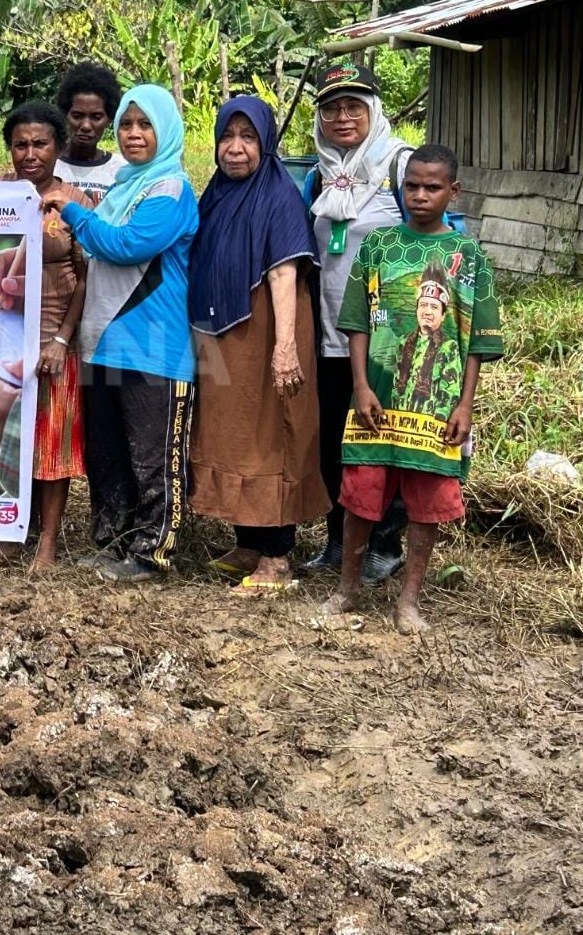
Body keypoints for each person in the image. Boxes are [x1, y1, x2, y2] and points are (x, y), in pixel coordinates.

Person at [321, 144, 501, 633]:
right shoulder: (379, 246)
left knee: (428, 504)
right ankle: (347, 590)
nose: (420, 196)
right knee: (360, 494)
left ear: (453, 192)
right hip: (376, 400)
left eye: (432, 187)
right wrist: (360, 385)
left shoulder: (469, 257)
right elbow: (356, 322)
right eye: (412, 186)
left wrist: (465, 404)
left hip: (438, 409)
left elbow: (477, 342)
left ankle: (409, 603)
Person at [43, 84, 198, 583]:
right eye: (127, 125)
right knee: (109, 456)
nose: (133, 135)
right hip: (103, 342)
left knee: (154, 458)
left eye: (145, 125)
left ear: (166, 131)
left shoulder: (171, 188)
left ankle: (152, 554)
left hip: (156, 347)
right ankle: (113, 544)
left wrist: (70, 207)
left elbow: (128, 244)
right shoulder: (126, 187)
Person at [188, 97, 328, 593]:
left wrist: (285, 346)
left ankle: (275, 556)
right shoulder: (217, 193)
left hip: (267, 329)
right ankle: (247, 542)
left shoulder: (278, 194)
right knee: (234, 435)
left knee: (271, 435)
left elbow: (284, 271)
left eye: (248, 137)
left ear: (265, 142)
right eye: (228, 136)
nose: (235, 148)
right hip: (226, 335)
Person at [304, 61, 413, 582]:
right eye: (331, 108)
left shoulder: (400, 166)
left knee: (383, 439)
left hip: (388, 341)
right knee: (333, 442)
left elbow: (437, 246)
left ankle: (384, 544)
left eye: (354, 107)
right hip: (329, 336)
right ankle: (337, 540)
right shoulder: (318, 176)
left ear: (373, 110)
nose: (342, 118)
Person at [2, 101, 86, 571]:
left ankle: (48, 541)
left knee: (54, 442)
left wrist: (61, 339)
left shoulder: (75, 203)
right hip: (7, 340)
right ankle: (11, 528)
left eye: (40, 143)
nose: (30, 154)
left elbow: (86, 279)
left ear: (58, 146)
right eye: (20, 145)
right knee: (9, 438)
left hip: (55, 341)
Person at [54, 61, 124, 201]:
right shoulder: (50, 166)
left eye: (96, 117)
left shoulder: (121, 170)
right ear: (65, 115)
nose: (86, 126)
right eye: (77, 116)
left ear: (109, 119)